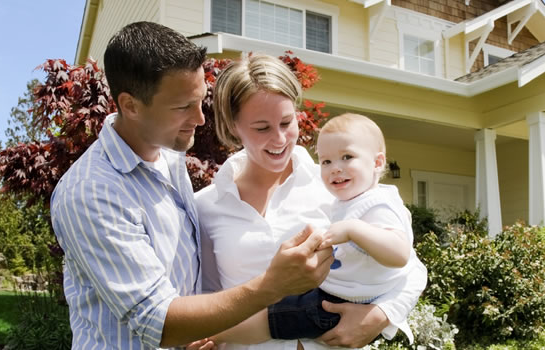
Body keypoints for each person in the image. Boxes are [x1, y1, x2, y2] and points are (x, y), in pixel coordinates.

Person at [50, 22, 335, 349]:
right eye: (183, 107)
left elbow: (194, 282)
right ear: (130, 106)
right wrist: (272, 285)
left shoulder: (169, 161)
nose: (200, 118)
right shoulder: (91, 193)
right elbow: (157, 321)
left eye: (199, 100)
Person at [195, 54, 427, 350]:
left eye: (286, 122)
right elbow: (207, 294)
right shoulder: (206, 206)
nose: (279, 139)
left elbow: (411, 268)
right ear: (233, 127)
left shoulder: (337, 186)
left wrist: (380, 316)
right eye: (262, 128)